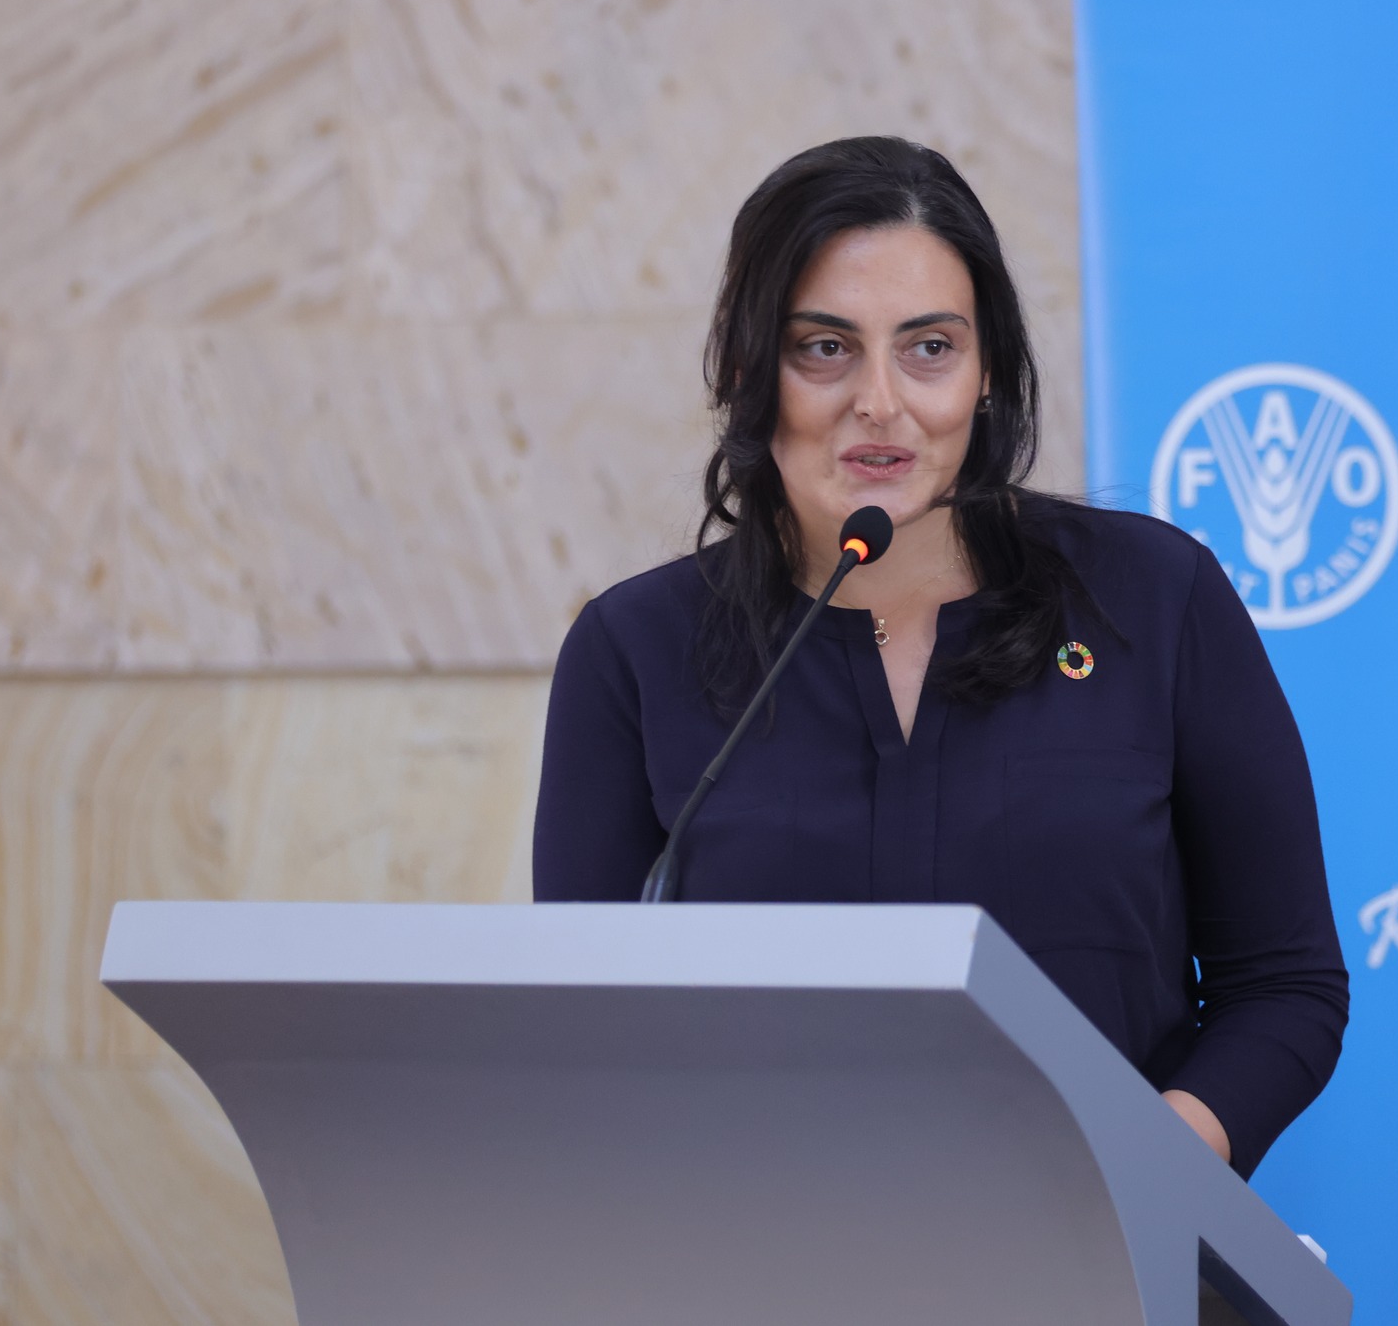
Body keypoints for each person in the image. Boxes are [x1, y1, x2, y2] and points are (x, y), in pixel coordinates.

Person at [533, 136, 1347, 1178]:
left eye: (928, 347)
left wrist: (1145, 1172)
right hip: (758, 1244)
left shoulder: (1154, 597)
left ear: (987, 370)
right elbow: (584, 1035)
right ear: (745, 369)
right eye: (824, 347)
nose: (880, 400)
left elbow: (1282, 984)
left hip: (1103, 1244)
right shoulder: (633, 650)